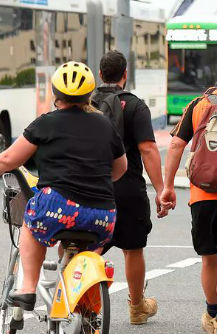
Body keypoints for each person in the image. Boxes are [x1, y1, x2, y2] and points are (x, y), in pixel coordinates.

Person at [0, 61, 127, 310]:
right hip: (103, 214)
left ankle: (28, 289)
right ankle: (80, 299)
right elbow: (120, 168)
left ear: (55, 93)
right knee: (87, 244)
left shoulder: (46, 123)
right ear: (89, 94)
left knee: (31, 222)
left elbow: (10, 159)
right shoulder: (106, 125)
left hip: (58, 208)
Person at [93, 51, 166, 324]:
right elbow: (148, 149)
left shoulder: (84, 104)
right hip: (128, 188)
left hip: (91, 188)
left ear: (100, 74)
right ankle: (136, 307)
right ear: (125, 75)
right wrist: (161, 189)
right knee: (133, 248)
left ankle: (79, 303)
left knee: (88, 246)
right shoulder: (135, 106)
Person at [161, 87, 217, 334]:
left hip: (203, 193)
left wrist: (168, 187)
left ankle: (213, 316)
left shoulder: (199, 104)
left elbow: (175, 145)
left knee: (210, 259)